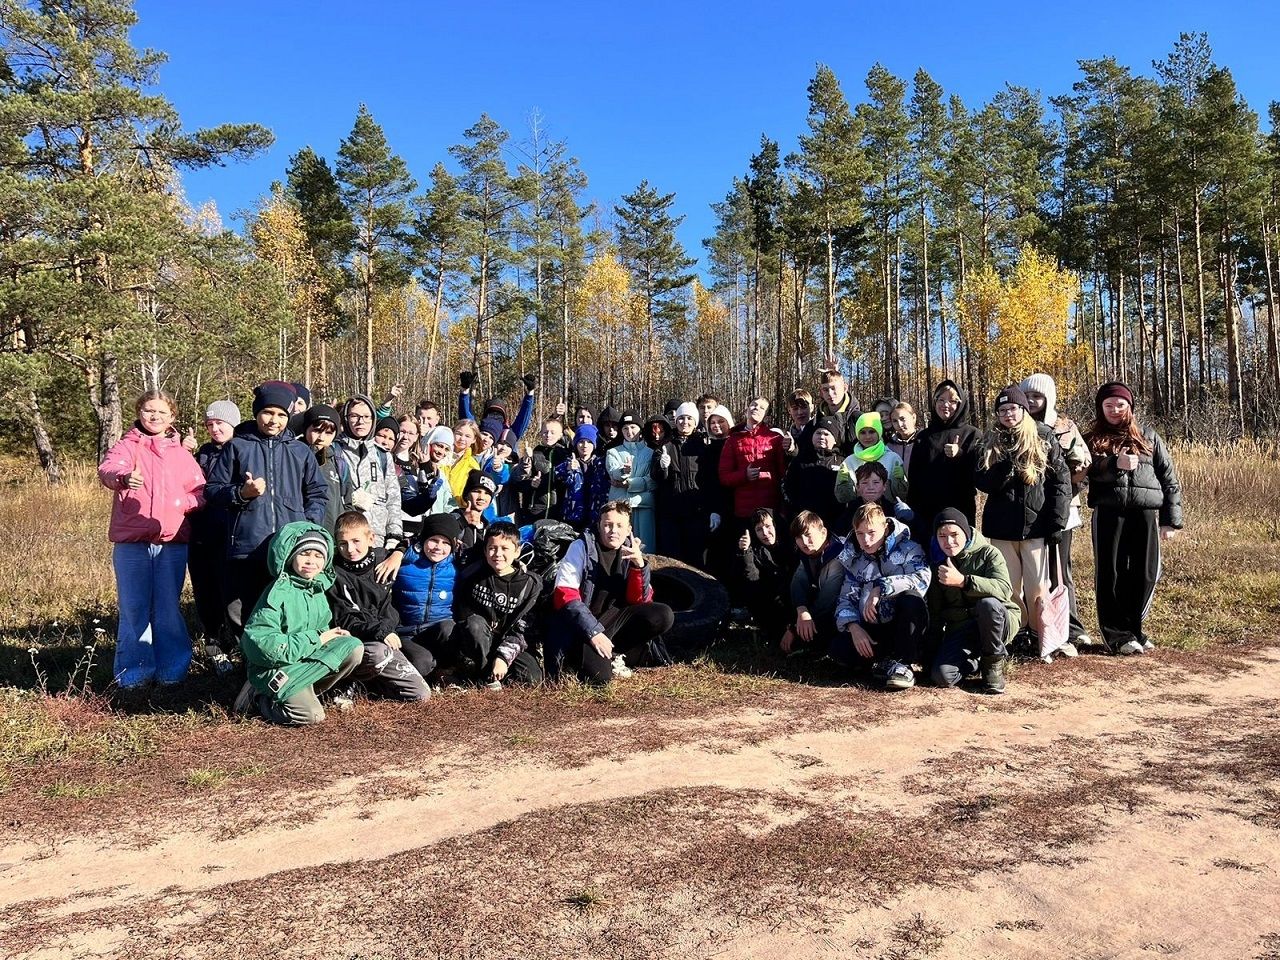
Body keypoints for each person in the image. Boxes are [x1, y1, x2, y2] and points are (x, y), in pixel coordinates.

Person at [98, 390, 207, 691]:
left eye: (161, 412)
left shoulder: (181, 454)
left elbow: (199, 492)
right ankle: (134, 673)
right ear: (139, 413)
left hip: (171, 543)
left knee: (167, 608)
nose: (154, 416)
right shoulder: (127, 446)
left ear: (172, 416)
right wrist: (123, 479)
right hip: (132, 542)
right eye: (148, 411)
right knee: (134, 607)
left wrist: (182, 503)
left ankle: (172, 671)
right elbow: (107, 470)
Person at [205, 381, 328, 641]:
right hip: (246, 547)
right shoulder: (237, 447)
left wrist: (305, 528)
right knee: (241, 609)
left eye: (282, 415)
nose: (274, 420)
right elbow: (213, 490)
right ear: (257, 412)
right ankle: (247, 662)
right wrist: (241, 493)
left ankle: (282, 661)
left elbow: (317, 493)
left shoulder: (300, 452)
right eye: (268, 413)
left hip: (287, 549)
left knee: (283, 608)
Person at [1083, 382, 1182, 655]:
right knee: (1111, 573)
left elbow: (1169, 479)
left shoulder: (1149, 436)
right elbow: (1086, 472)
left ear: (1130, 406)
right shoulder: (1091, 437)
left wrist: (1170, 519)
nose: (1114, 410)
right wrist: (1114, 463)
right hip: (1108, 512)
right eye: (1108, 405)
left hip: (1146, 512)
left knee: (1146, 573)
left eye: (1120, 405)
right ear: (1100, 408)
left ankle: (1135, 628)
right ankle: (1116, 635)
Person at [232, 521, 363, 726]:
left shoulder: (317, 590)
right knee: (311, 716)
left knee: (353, 647)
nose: (311, 561)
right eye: (304, 554)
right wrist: (318, 639)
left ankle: (308, 690)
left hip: (301, 661)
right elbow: (262, 646)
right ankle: (260, 698)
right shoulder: (277, 593)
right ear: (291, 556)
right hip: (274, 667)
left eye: (318, 556)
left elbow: (320, 631)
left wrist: (328, 636)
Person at [975, 385, 1070, 651]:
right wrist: (1002, 469)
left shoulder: (1043, 436)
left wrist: (1056, 523)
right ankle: (1017, 633)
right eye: (1002, 410)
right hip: (1001, 527)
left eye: (1013, 408)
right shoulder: (990, 440)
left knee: (1038, 587)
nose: (1008, 414)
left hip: (1036, 527)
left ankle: (1042, 636)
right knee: (1010, 588)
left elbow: (1060, 482)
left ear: (1023, 410)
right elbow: (981, 481)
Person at [548, 500, 674, 684]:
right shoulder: (580, 547)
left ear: (629, 528)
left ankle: (617, 653)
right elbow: (565, 596)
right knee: (600, 679)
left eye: (619, 525)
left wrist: (639, 566)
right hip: (584, 627)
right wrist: (593, 633)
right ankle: (588, 657)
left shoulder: (632, 549)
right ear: (599, 525)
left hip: (616, 620)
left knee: (663, 614)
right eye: (607, 525)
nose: (613, 530)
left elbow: (640, 600)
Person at [1021, 373, 1094, 647]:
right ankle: (1039, 628)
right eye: (1027, 396)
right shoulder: (1016, 424)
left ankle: (1072, 627)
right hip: (1028, 511)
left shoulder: (1064, 426)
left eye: (1037, 396)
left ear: (1048, 398)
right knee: (1035, 573)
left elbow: (1083, 463)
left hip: (1061, 509)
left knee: (1060, 569)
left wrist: (1067, 479)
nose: (1031, 401)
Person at [327, 512, 431, 702]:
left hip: (390, 634)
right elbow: (347, 619)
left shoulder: (383, 558)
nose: (350, 549)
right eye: (343, 543)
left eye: (356, 541)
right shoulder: (335, 573)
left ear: (371, 538)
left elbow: (416, 539)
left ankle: (371, 687)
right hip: (361, 640)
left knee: (422, 677)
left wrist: (398, 553)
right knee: (377, 654)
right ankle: (349, 680)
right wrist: (381, 632)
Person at [833, 502, 931, 691]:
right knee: (838, 649)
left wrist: (881, 587)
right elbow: (846, 597)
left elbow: (921, 579)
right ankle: (882, 663)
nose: (866, 540)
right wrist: (853, 627)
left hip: (905, 625)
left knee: (912, 599)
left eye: (871, 533)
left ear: (885, 529)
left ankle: (905, 663)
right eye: (860, 534)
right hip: (873, 626)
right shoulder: (854, 557)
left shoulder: (910, 549)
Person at [926, 509, 1018, 695]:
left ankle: (993, 665)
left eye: (954, 534)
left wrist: (964, 581)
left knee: (988, 605)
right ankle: (976, 661)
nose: (949, 541)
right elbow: (936, 612)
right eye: (942, 536)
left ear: (966, 533)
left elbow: (1004, 589)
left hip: (999, 620)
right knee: (942, 676)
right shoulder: (938, 564)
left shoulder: (989, 553)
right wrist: (930, 655)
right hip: (963, 627)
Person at [450, 521, 545, 689]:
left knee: (532, 679)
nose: (498, 554)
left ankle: (498, 669)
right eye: (492, 548)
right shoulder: (473, 576)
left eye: (505, 548)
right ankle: (484, 675)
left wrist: (502, 657)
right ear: (485, 551)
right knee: (475, 624)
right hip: (479, 638)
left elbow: (523, 629)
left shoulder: (530, 584)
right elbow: (462, 610)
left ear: (517, 551)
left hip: (511, 640)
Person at [188, 399, 239, 670]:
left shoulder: (243, 448)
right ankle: (215, 646)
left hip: (233, 533)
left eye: (220, 423)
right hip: (202, 532)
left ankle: (243, 646)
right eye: (210, 424)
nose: (215, 428)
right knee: (206, 593)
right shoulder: (202, 453)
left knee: (232, 595)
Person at [905, 380, 982, 542]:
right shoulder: (923, 437)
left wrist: (960, 454)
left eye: (952, 401)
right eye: (941, 400)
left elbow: (980, 475)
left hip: (960, 510)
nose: (946, 405)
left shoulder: (972, 434)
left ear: (961, 404)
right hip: (926, 512)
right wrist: (913, 512)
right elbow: (914, 477)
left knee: (959, 557)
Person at [393, 512, 462, 678]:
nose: (439, 547)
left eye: (446, 542)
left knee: (449, 628)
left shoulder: (456, 566)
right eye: (433, 540)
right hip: (406, 633)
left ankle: (443, 668)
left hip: (437, 631)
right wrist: (397, 553)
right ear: (423, 539)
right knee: (422, 664)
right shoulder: (404, 562)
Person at [339, 394, 405, 562]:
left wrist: (394, 536)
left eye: (366, 417)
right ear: (346, 418)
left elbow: (393, 499)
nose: (360, 421)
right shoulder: (336, 451)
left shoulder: (382, 455)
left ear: (373, 419)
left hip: (377, 538)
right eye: (354, 416)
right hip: (345, 541)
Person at [652, 402, 711, 564]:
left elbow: (709, 480)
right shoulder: (665, 446)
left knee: (696, 558)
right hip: (670, 514)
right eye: (681, 418)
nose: (685, 422)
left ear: (695, 422)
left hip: (696, 513)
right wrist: (661, 466)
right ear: (676, 421)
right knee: (672, 558)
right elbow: (655, 476)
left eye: (689, 418)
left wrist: (712, 510)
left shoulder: (702, 447)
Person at [719, 397, 786, 531]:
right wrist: (744, 475)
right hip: (744, 511)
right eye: (753, 405)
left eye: (762, 407)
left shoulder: (775, 439)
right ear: (747, 410)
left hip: (769, 508)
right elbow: (724, 476)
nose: (756, 408)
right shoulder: (733, 440)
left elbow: (784, 474)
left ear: (766, 416)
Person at [783, 511, 844, 658]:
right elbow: (798, 581)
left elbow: (828, 600)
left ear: (823, 532)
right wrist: (801, 610)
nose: (804, 542)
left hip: (842, 609)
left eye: (808, 535)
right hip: (819, 604)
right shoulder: (808, 552)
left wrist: (794, 628)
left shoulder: (838, 554)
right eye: (798, 537)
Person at [729, 508, 795, 640]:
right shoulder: (755, 550)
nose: (765, 533)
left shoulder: (792, 544)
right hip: (769, 601)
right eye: (759, 529)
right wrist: (745, 552)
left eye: (768, 526)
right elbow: (752, 579)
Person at [783, 415, 845, 536]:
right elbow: (788, 488)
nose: (821, 437)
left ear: (835, 439)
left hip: (834, 523)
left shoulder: (843, 462)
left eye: (826, 434)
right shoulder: (800, 461)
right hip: (805, 523)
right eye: (818, 433)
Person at [605, 411, 656, 547]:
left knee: (645, 548)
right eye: (625, 428)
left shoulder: (650, 453)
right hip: (620, 508)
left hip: (643, 505)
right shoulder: (613, 452)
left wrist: (629, 483)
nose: (629, 431)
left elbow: (653, 480)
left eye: (633, 427)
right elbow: (613, 472)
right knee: (620, 547)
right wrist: (623, 471)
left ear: (640, 429)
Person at [301, 404, 353, 535]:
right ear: (306, 429)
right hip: (303, 533)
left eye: (329, 433)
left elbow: (348, 502)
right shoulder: (295, 457)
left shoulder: (339, 462)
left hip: (334, 535)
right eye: (317, 430)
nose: (321, 437)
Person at [836, 412, 907, 501]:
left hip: (888, 512)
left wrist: (899, 481)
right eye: (863, 432)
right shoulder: (849, 461)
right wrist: (844, 485)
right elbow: (842, 499)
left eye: (872, 431)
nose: (867, 436)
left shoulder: (893, 458)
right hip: (859, 512)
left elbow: (902, 496)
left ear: (879, 432)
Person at [554, 423, 612, 531]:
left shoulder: (602, 463)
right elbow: (557, 474)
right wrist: (568, 468)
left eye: (589, 442)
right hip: (573, 516)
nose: (585, 445)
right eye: (581, 442)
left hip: (596, 515)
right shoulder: (569, 461)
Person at [457, 369, 535, 443]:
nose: (495, 417)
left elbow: (523, 419)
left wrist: (530, 394)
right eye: (491, 413)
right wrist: (464, 390)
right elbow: (466, 419)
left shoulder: (508, 435)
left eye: (498, 414)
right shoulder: (477, 433)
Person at [452, 470, 497, 567]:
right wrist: (463, 521)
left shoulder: (489, 528)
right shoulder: (453, 518)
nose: (481, 497)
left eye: (487, 493)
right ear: (467, 494)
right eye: (476, 491)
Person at [816, 362, 862, 453]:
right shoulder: (817, 421)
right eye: (825, 390)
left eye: (833, 388)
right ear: (821, 392)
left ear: (845, 388)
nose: (830, 393)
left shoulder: (858, 419)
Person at [885, 401, 919, 476]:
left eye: (902, 419)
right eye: (895, 421)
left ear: (913, 417)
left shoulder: (924, 441)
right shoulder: (889, 447)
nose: (899, 425)